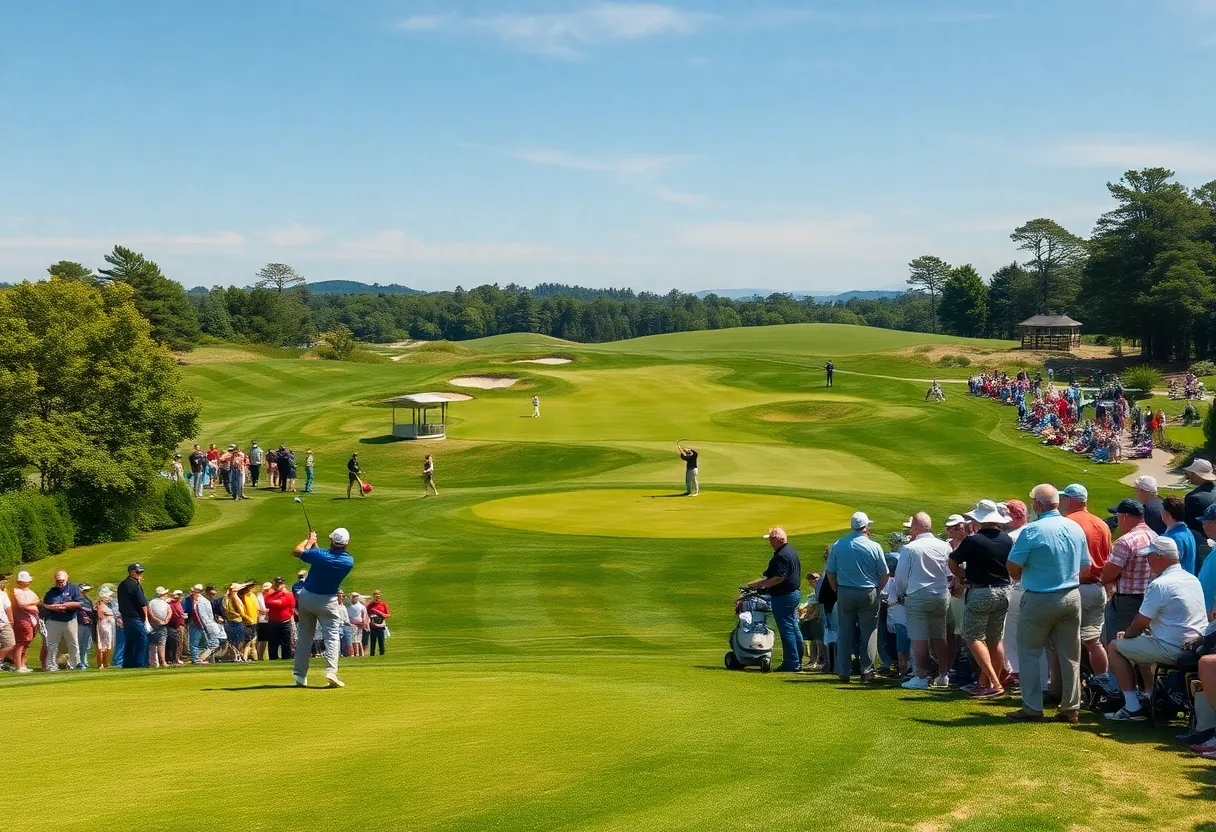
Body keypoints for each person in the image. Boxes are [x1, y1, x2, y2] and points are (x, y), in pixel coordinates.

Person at [1005, 485, 1089, 723]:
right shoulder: (1074, 527)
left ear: (1037, 505)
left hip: (1039, 597)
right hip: (1071, 595)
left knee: (1029, 652)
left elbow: (1013, 567)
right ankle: (1071, 707)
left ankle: (1032, 707)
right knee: (1070, 654)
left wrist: (1030, 573)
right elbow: (1085, 567)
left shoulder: (1031, 530)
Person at [1105, 536, 1209, 721]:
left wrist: (1126, 635)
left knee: (1114, 647)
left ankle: (1132, 708)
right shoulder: (1191, 579)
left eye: (1149, 556)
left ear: (1159, 557)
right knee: (1141, 644)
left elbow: (1140, 622)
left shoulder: (1160, 584)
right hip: (1195, 645)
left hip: (1173, 647)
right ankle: (1151, 697)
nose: (1147, 560)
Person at [949, 501, 1013, 697]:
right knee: (995, 640)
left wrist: (962, 576)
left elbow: (953, 561)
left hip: (980, 592)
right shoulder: (1007, 540)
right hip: (1004, 591)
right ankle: (985, 682)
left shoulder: (973, 540)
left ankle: (995, 683)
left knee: (972, 637)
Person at [1058, 483, 1113, 687]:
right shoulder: (1101, 524)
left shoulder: (1067, 522)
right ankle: (1102, 682)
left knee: (1066, 639)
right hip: (1097, 587)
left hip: (1074, 587)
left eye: (1064, 498)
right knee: (1093, 640)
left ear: (1071, 500)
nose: (1062, 502)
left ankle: (1070, 685)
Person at [825, 512, 889, 683]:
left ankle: (844, 671)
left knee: (844, 632)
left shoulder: (839, 544)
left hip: (845, 591)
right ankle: (867, 671)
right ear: (866, 527)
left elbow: (830, 572)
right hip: (868, 591)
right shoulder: (874, 546)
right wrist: (877, 588)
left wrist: (837, 589)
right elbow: (884, 574)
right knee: (869, 632)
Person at [292, 527, 355, 688]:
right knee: (332, 637)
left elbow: (297, 551)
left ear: (331, 541)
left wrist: (310, 540)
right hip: (328, 601)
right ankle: (331, 672)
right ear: (347, 543)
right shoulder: (348, 561)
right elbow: (321, 557)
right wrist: (314, 545)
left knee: (305, 637)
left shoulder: (321, 556)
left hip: (307, 598)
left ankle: (299, 675)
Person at [896, 513, 953, 690]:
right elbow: (950, 572)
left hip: (917, 593)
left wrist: (900, 592)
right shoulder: (944, 546)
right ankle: (943, 675)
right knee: (939, 635)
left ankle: (921, 676)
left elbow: (901, 577)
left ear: (915, 528)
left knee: (918, 636)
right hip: (940, 594)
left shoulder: (910, 548)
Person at [1101, 499, 1158, 649]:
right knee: (1141, 643)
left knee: (1117, 644)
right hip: (1150, 598)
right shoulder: (1155, 536)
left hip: (1126, 602)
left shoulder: (1125, 542)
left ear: (1126, 517)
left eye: (1118, 517)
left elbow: (1107, 576)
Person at [745, 527, 802, 672]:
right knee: (793, 627)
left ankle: (791, 662)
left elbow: (779, 577)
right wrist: (759, 583)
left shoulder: (782, 555)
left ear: (779, 539)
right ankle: (798, 659)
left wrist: (761, 585)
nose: (770, 542)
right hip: (792, 594)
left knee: (787, 629)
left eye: (771, 539)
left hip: (783, 596)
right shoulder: (790, 550)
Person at [41, 569, 84, 672]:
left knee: (73, 643)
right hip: (54, 620)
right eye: (58, 581)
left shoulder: (73, 588)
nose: (60, 583)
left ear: (66, 578)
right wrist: (53, 607)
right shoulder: (51, 592)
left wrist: (66, 605)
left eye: (62, 581)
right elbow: (45, 605)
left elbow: (80, 603)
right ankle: (51, 666)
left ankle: (75, 664)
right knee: (52, 644)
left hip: (70, 620)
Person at [1183, 458, 1216, 571]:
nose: (1190, 475)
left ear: (1199, 475)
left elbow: (1190, 526)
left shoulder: (1193, 498)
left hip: (1201, 541)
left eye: (1193, 473)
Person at [118, 563, 150, 669]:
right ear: (131, 572)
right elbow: (143, 603)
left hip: (126, 618)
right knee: (142, 640)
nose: (140, 574)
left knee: (130, 641)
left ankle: (128, 664)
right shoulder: (134, 585)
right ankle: (139, 664)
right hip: (135, 617)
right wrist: (146, 619)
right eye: (138, 572)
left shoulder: (122, 584)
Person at [11, 571, 40, 673]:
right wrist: (32, 604)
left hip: (32, 619)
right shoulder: (17, 591)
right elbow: (22, 605)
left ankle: (23, 664)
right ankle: (18, 666)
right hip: (23, 618)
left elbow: (37, 600)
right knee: (22, 641)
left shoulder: (30, 592)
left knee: (27, 642)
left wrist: (30, 604)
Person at [1162, 496, 1198, 576]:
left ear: (1167, 514)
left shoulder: (1172, 538)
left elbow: (1168, 565)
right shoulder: (1187, 532)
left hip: (1175, 580)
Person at [264, 576, 295, 660]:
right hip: (273, 621)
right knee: (273, 642)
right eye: (276, 584)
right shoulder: (269, 594)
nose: (278, 585)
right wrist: (274, 602)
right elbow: (266, 602)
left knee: (286, 641)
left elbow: (281, 603)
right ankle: (273, 658)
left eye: (280, 584)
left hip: (285, 621)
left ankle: (286, 657)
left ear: (283, 585)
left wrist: (273, 602)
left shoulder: (288, 594)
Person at [187, 584, 219, 664]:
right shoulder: (202, 601)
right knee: (211, 643)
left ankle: (198, 658)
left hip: (198, 624)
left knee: (196, 643)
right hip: (201, 624)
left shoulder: (191, 600)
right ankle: (198, 658)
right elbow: (205, 616)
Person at [147, 586, 172, 668]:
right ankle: (162, 661)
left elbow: (150, 613)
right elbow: (169, 612)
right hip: (160, 624)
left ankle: (153, 662)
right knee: (161, 643)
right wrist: (165, 620)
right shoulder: (164, 603)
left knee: (153, 643)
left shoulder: (151, 602)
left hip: (153, 624)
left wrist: (156, 620)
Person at [223, 583, 248, 661]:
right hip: (236, 622)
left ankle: (235, 657)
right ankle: (237, 657)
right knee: (238, 641)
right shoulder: (234, 598)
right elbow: (241, 613)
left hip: (230, 622)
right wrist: (249, 619)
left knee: (233, 642)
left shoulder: (226, 598)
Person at [95, 586, 117, 669]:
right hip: (105, 624)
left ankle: (106, 663)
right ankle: (101, 664)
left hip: (109, 623)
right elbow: (100, 614)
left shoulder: (108, 604)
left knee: (108, 643)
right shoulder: (101, 603)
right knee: (103, 643)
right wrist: (107, 619)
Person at [75, 583, 95, 669]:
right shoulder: (76, 600)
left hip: (88, 624)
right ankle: (79, 662)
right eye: (84, 590)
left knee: (87, 644)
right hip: (79, 624)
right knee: (79, 644)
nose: (86, 592)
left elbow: (91, 612)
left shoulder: (88, 601)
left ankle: (84, 661)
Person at [367, 589, 391, 657]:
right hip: (373, 625)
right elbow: (367, 614)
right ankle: (372, 655)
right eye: (375, 596)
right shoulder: (370, 605)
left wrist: (380, 613)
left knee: (381, 642)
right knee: (372, 642)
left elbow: (388, 615)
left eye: (378, 596)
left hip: (381, 626)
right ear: (373, 596)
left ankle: (382, 655)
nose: (377, 598)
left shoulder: (384, 605)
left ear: (380, 596)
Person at [0, 574, 16, 671]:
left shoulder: (3, 595)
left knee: (10, 644)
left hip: (4, 623)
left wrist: (11, 621)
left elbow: (8, 608)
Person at [167, 589, 186, 665]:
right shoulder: (174, 604)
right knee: (178, 643)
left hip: (176, 625)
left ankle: (173, 658)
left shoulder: (175, 603)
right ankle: (176, 658)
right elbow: (176, 615)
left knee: (176, 643)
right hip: (177, 625)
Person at [347, 592, 367, 658]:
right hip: (351, 624)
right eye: (353, 597)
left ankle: (360, 653)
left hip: (359, 624)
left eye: (355, 597)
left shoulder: (361, 606)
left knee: (358, 639)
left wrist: (363, 623)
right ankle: (356, 653)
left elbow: (364, 616)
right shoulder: (349, 606)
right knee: (354, 639)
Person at [255, 582, 270, 661]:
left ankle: (260, 656)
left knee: (263, 640)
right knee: (262, 640)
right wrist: (265, 611)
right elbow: (257, 608)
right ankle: (260, 656)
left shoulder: (260, 596)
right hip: (262, 619)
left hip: (264, 619)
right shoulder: (259, 596)